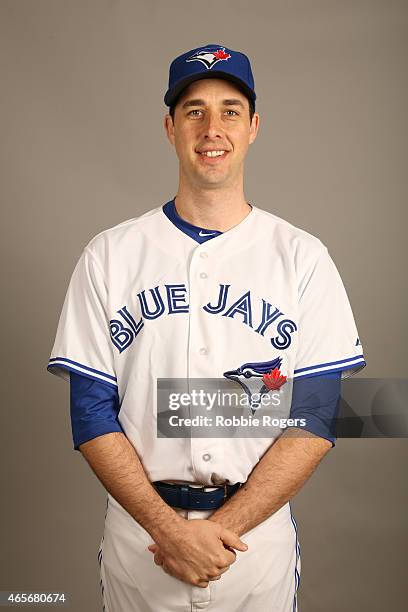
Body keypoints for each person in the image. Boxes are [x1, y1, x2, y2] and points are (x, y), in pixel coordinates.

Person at [47, 44, 366, 612]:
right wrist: (169, 532)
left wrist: (225, 527)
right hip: (144, 541)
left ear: (253, 127)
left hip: (252, 541)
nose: (212, 128)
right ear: (170, 127)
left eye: (230, 111)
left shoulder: (302, 257)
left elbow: (317, 415)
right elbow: (90, 411)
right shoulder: (110, 255)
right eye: (194, 110)